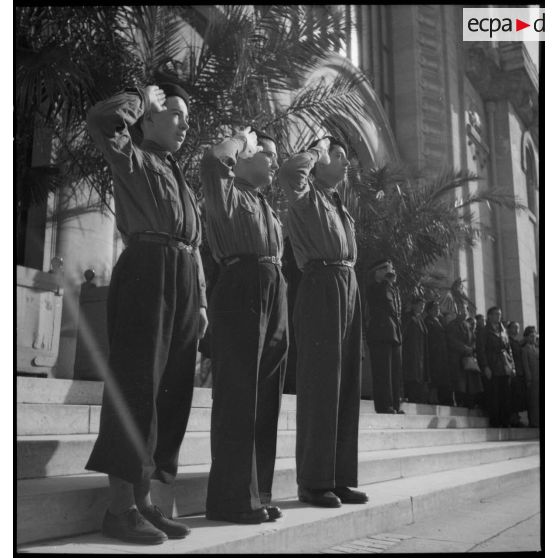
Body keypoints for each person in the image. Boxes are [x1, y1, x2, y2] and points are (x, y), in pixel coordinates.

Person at [85, 84, 208, 544]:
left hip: (179, 280)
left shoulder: (179, 174)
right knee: (135, 387)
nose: (184, 124)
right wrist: (140, 96)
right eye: (174, 114)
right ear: (150, 119)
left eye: (186, 118)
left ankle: (144, 502)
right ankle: (119, 509)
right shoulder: (131, 156)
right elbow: (101, 120)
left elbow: (193, 245)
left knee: (168, 394)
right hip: (145, 271)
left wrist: (200, 302)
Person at [200, 127, 288, 524]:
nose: (273, 161)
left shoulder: (264, 204)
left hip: (272, 288)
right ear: (245, 157)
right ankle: (232, 499)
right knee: (238, 397)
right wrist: (239, 139)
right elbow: (214, 162)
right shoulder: (227, 192)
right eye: (265, 154)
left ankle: (258, 493)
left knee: (266, 397)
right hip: (240, 286)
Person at [278, 136, 367, 508]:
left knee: (346, 386)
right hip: (320, 283)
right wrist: (318, 147)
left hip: (348, 286)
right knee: (321, 385)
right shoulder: (307, 194)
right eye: (339, 157)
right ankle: (314, 482)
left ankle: (340, 477)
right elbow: (288, 173)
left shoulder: (337, 203)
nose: (346, 164)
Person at [365, 259, 404, 414]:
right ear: (377, 271)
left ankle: (395, 404)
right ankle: (384, 405)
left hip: (393, 334)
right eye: (386, 269)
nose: (390, 271)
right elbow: (382, 301)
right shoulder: (374, 287)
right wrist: (387, 282)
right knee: (383, 372)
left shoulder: (390, 288)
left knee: (394, 372)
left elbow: (396, 311)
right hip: (380, 334)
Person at [476, 306, 515, 427]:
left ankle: (505, 421)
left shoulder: (503, 331)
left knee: (506, 395)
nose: (498, 316)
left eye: (499, 314)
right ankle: (495, 421)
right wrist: (485, 367)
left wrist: (512, 366)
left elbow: (509, 350)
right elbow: (481, 350)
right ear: (490, 316)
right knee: (494, 395)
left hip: (504, 366)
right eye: (496, 314)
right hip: (492, 366)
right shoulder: (484, 331)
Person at [446, 306, 483, 409]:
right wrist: (464, 348)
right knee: (459, 383)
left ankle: (468, 402)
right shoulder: (452, 325)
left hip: (467, 358)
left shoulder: (467, 325)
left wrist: (472, 348)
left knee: (469, 383)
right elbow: (451, 340)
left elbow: (473, 339)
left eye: (465, 310)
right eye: (461, 310)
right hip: (457, 358)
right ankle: (459, 401)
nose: (464, 312)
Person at [402, 295, 430, 403]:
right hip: (411, 351)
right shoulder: (409, 317)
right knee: (411, 375)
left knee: (419, 376)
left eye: (423, 305)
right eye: (419, 305)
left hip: (420, 353)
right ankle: (411, 396)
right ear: (413, 305)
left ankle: (418, 398)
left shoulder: (420, 319)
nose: (421, 307)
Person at [424, 301, 451, 406]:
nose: (437, 310)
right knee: (434, 376)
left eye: (438, 308)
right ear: (429, 310)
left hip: (441, 353)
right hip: (433, 352)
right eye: (435, 308)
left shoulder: (440, 321)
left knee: (440, 377)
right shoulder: (428, 321)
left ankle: (439, 398)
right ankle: (432, 397)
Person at [507, 321, 527, 426]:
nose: (516, 330)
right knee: (512, 396)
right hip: (512, 372)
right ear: (508, 328)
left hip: (520, 373)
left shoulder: (517, 342)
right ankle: (512, 418)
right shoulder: (507, 340)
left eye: (518, 328)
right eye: (514, 327)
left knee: (518, 397)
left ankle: (516, 417)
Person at [522, 326, 540, 427]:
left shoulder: (537, 348)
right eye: (531, 336)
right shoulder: (525, 349)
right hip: (533, 379)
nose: (533, 338)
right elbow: (526, 365)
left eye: (534, 336)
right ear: (527, 337)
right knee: (533, 402)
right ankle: (534, 422)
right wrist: (529, 378)